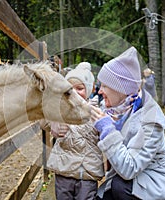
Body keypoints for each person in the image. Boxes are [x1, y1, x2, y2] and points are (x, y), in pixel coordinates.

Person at [90, 47, 165, 200]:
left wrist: (107, 129)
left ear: (120, 89)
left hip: (155, 180)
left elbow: (129, 168)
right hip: (126, 178)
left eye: (104, 86)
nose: (100, 91)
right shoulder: (113, 110)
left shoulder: (151, 120)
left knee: (120, 187)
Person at [46, 62, 104, 200]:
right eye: (71, 89)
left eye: (80, 88)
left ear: (89, 90)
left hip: (87, 173)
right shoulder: (60, 110)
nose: (76, 93)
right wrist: (53, 122)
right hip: (64, 170)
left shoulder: (96, 111)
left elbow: (106, 131)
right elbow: (44, 118)